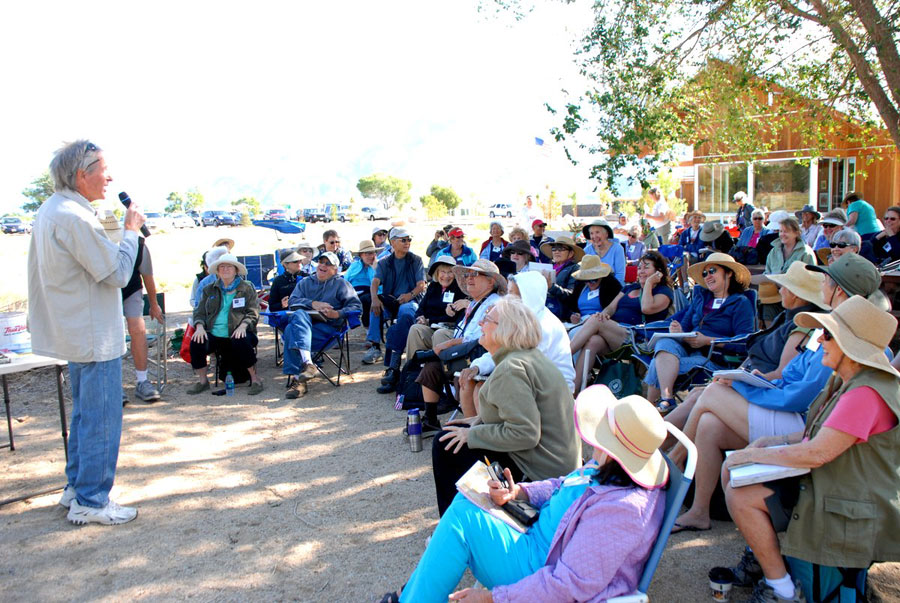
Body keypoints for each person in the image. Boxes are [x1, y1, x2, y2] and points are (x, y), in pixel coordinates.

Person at [383, 386, 667, 603]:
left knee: (461, 519)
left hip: (539, 565)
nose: (592, 440)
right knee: (466, 503)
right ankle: (414, 594)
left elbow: (570, 585)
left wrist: (495, 598)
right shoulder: (610, 468)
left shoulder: (623, 510)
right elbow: (562, 485)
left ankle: (413, 595)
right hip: (538, 543)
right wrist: (519, 492)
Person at [720, 296, 900, 603]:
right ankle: (766, 564)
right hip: (840, 490)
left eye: (827, 334)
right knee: (735, 475)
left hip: (848, 506)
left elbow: (816, 452)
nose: (821, 341)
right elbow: (815, 436)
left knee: (740, 491)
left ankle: (784, 591)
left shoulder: (865, 393)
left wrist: (751, 455)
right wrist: (770, 443)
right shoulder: (853, 381)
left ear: (850, 345)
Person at [665, 262, 829, 534]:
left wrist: (747, 386)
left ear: (798, 294)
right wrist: (750, 380)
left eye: (784, 286)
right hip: (778, 404)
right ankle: (699, 512)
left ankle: (673, 460)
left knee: (712, 392)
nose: (778, 289)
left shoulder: (807, 332)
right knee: (708, 424)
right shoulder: (795, 322)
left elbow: (794, 394)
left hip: (795, 422)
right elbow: (787, 380)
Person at [28, 139, 144, 525]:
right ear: (82, 174)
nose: (109, 177)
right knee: (102, 417)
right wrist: (129, 232)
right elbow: (117, 273)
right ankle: (92, 500)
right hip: (95, 335)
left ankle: (76, 487)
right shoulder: (75, 217)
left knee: (84, 415)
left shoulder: (53, 209)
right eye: (103, 169)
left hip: (78, 331)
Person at [431, 297, 581, 516]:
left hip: (541, 472)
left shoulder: (511, 368)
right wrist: (477, 421)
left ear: (506, 330)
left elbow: (525, 433)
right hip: (557, 464)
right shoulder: (528, 358)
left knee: (445, 444)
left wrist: (473, 435)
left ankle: (456, 529)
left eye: (487, 319)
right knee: (454, 433)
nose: (480, 324)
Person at [644, 253, 754, 413]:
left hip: (714, 358)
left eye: (712, 271)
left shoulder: (740, 303)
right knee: (664, 343)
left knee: (657, 363)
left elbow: (745, 342)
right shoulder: (701, 298)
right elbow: (686, 325)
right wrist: (678, 331)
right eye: (704, 273)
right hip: (688, 349)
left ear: (728, 272)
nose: (707, 276)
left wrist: (708, 340)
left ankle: (653, 407)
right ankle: (665, 401)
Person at [459, 272, 576, 418]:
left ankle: (485, 436)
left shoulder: (543, 325)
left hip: (551, 389)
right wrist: (477, 367)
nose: (508, 299)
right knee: (468, 383)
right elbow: (500, 349)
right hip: (525, 377)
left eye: (514, 294)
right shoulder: (519, 319)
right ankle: (471, 436)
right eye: (508, 292)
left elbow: (520, 362)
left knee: (483, 390)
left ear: (529, 295)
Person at [409, 260, 505, 428]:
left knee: (440, 362)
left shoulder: (493, 304)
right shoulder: (476, 302)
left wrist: (446, 346)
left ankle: (471, 431)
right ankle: (430, 420)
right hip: (468, 352)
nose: (469, 279)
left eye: (475, 274)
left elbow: (478, 339)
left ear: (491, 281)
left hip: (479, 356)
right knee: (430, 366)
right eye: (467, 274)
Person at [570, 251, 674, 391]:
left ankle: (562, 355)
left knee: (595, 320)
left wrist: (648, 283)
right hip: (617, 334)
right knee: (592, 341)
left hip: (638, 339)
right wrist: (605, 315)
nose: (641, 271)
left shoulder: (664, 292)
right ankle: (574, 392)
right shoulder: (630, 288)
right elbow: (611, 308)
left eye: (646, 267)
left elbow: (646, 308)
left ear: (658, 271)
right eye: (639, 267)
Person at [99, 214, 163, 404]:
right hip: (105, 290)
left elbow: (148, 277)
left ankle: (143, 381)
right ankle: (113, 385)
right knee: (110, 333)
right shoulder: (94, 245)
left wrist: (153, 304)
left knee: (138, 329)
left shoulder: (139, 245)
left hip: (131, 287)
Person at [282, 252, 362, 399]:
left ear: (335, 269)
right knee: (297, 317)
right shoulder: (305, 282)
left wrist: (337, 314)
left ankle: (297, 378)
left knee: (290, 330)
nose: (323, 266)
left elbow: (356, 307)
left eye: (328, 263)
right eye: (321, 262)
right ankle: (307, 365)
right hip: (305, 329)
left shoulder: (341, 284)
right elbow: (292, 302)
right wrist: (313, 304)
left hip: (327, 330)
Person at [189, 254, 263, 395]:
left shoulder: (247, 288)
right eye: (222, 267)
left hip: (239, 330)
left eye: (229, 266)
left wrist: (243, 326)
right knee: (196, 341)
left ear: (236, 270)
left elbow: (253, 312)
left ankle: (255, 380)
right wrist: (199, 327)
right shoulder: (209, 289)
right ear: (217, 271)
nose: (225, 269)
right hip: (215, 333)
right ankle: (203, 381)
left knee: (240, 339)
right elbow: (199, 312)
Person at [395, 256, 466, 392]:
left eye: (450, 272)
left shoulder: (459, 289)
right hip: (431, 327)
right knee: (415, 329)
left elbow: (454, 316)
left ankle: (438, 383)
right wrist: (420, 318)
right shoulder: (433, 287)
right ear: (437, 274)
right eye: (442, 272)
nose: (446, 276)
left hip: (449, 330)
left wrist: (430, 321)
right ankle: (412, 374)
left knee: (439, 334)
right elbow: (421, 308)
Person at [365, 228, 427, 383]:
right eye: (403, 240)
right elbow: (375, 282)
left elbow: (422, 285)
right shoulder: (385, 262)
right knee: (375, 308)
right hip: (391, 301)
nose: (407, 243)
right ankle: (375, 346)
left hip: (411, 301)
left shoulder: (416, 260)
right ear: (392, 242)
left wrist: (409, 295)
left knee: (406, 314)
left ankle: (393, 362)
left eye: (409, 239)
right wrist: (374, 298)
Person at [540, 236, 584, 320]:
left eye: (561, 249)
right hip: (545, 308)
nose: (556, 251)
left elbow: (571, 295)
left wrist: (552, 287)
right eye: (554, 249)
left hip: (561, 313)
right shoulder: (550, 267)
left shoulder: (575, 268)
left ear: (571, 253)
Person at [343, 239, 382, 327]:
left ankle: (368, 325)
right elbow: (346, 280)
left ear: (375, 254)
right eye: (366, 253)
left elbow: (377, 283)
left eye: (371, 253)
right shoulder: (354, 265)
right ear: (361, 255)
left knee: (368, 299)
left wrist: (374, 268)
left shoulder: (378, 266)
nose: (369, 256)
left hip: (371, 291)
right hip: (353, 291)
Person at [582, 219, 626, 284]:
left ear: (606, 234)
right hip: (591, 287)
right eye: (591, 233)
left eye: (597, 232)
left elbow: (620, 275)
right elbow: (583, 274)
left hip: (614, 287)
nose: (594, 236)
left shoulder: (617, 249)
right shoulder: (587, 250)